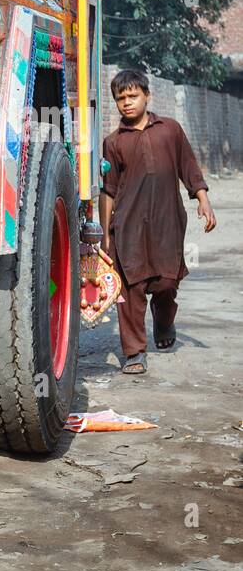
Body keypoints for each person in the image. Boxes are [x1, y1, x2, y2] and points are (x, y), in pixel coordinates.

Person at [100, 69, 216, 375]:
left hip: (167, 222)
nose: (127, 103)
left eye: (133, 96)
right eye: (121, 98)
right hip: (128, 225)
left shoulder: (170, 130)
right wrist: (105, 234)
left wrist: (202, 198)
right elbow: (108, 190)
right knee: (129, 288)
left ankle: (164, 321)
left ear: (147, 96)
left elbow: (189, 167)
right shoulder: (113, 142)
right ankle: (134, 352)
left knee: (166, 282)